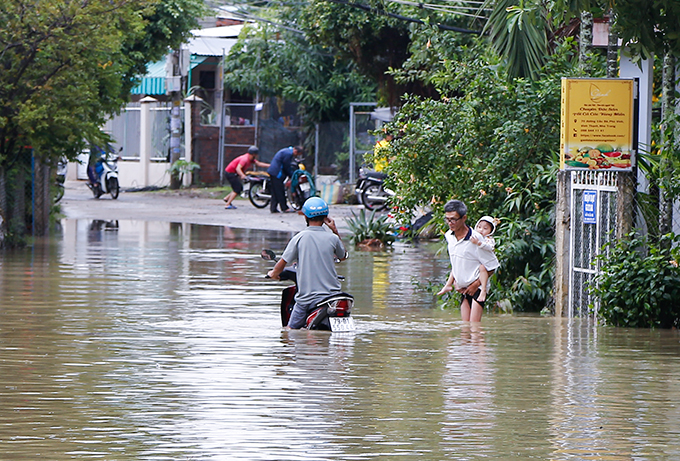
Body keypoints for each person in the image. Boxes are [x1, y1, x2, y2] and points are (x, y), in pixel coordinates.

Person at [267, 197, 348, 329]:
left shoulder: (299, 238)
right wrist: (334, 230)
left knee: (289, 332)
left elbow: (282, 263)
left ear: (305, 216)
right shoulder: (333, 238)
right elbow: (343, 256)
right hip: (334, 296)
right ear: (325, 217)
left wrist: (273, 273)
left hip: (307, 299)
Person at [436, 200, 499, 322]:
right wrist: (455, 282)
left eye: (454, 219)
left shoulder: (476, 239)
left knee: (475, 329)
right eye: (447, 219)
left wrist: (475, 285)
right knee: (465, 329)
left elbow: (492, 266)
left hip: (477, 288)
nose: (450, 223)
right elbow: (456, 262)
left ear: (464, 218)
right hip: (462, 288)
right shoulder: (449, 236)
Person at [266, 145, 304, 213]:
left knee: (275, 191)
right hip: (277, 173)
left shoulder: (286, 151)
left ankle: (273, 208)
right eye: (297, 154)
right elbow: (286, 166)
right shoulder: (288, 154)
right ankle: (285, 208)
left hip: (273, 172)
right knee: (280, 191)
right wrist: (291, 174)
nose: (296, 156)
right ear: (295, 151)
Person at [470, 216, 498, 303]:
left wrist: (479, 243)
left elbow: (490, 247)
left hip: (486, 263)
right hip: (476, 263)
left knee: (482, 268)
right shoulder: (474, 237)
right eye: (479, 227)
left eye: (485, 228)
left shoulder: (489, 239)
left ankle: (484, 289)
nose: (481, 230)